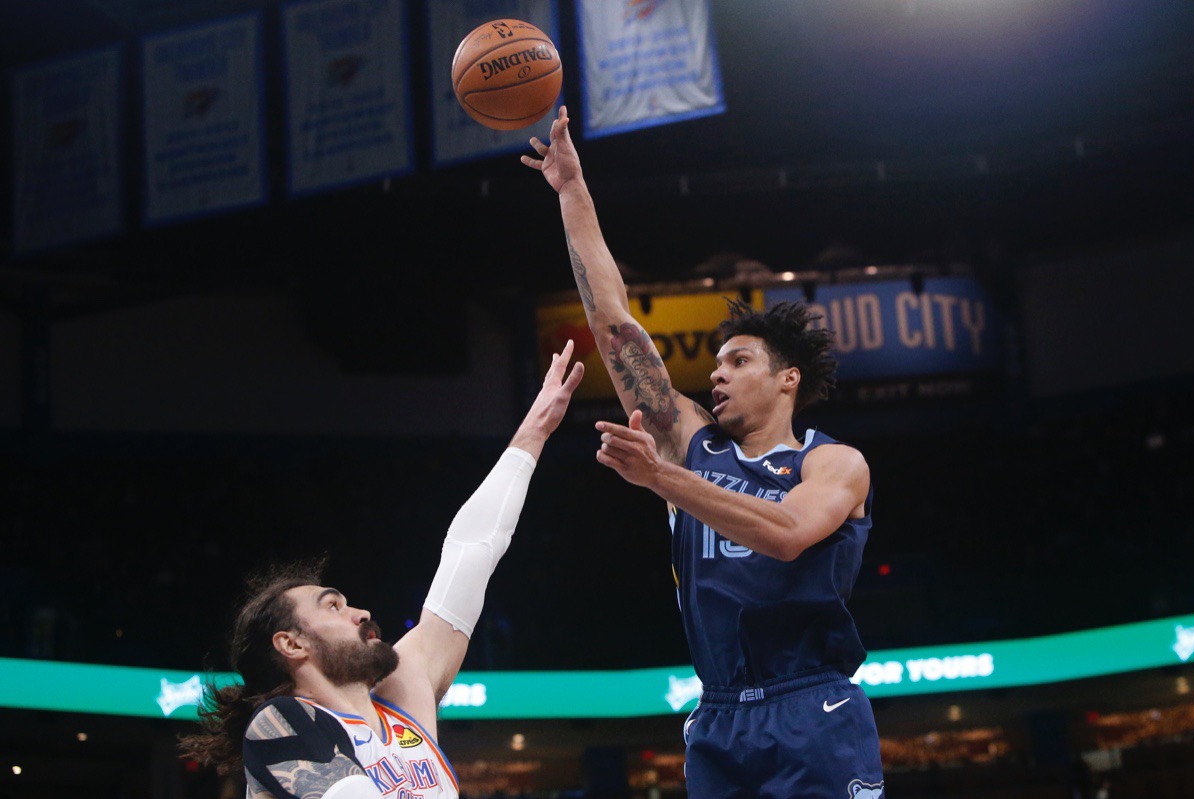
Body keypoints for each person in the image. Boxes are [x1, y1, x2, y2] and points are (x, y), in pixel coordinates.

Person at [523, 107, 885, 798]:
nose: (715, 374)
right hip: (717, 714)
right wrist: (572, 193)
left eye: (738, 359)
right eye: (714, 363)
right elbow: (613, 320)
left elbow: (785, 535)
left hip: (811, 703)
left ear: (787, 378)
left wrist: (662, 478)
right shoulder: (693, 440)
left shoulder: (832, 462)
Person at [180, 342, 585, 799]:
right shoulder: (279, 723)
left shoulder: (402, 701)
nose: (361, 612)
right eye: (333, 605)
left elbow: (470, 553)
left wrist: (534, 433)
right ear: (291, 644)